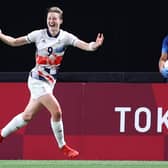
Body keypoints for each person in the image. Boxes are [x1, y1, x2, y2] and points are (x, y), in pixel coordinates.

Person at [0, 6, 104, 159]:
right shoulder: (38, 35)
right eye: (49, 18)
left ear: (60, 21)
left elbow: (86, 46)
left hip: (49, 83)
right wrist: (1, 35)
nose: (51, 21)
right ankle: (63, 147)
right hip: (36, 80)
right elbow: (15, 42)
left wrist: (94, 45)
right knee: (56, 111)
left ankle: (1, 135)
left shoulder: (66, 37)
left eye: (55, 18)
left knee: (27, 116)